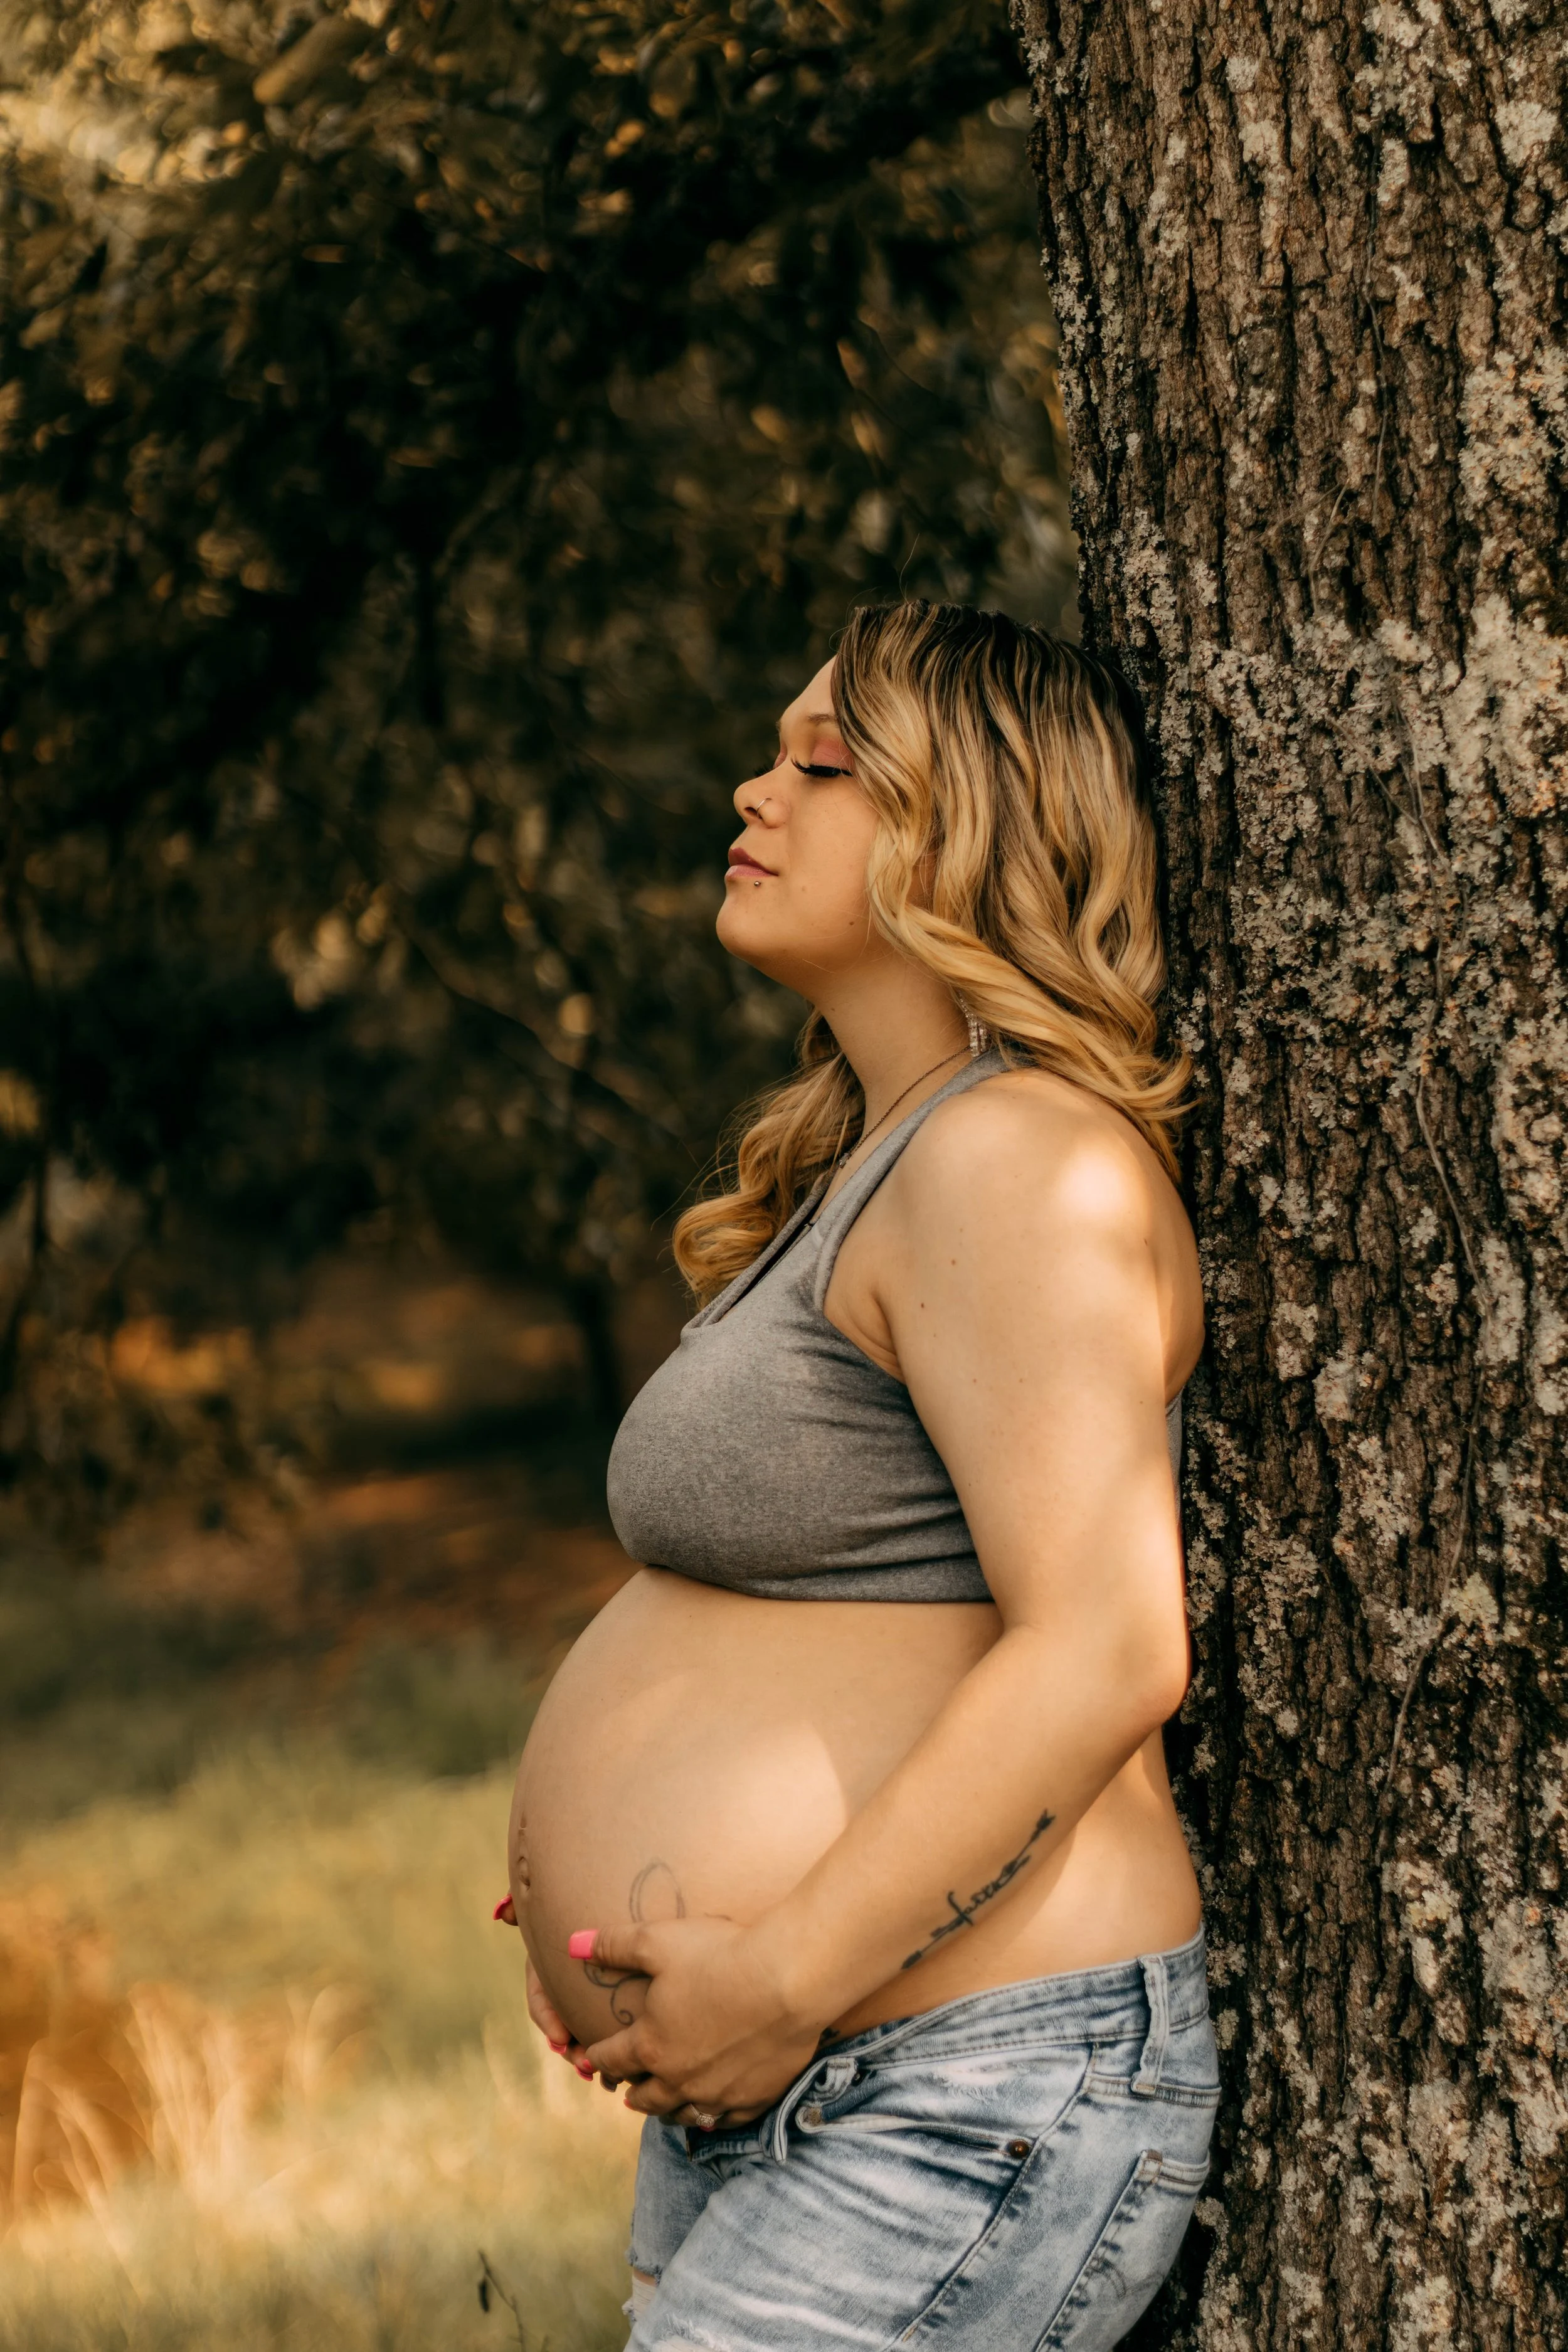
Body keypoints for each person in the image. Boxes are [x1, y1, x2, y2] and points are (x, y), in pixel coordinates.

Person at [498, 601, 1216, 2349]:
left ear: (972, 835)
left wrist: (782, 1966)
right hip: (825, 2062)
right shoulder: (877, 1159)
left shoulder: (1016, 1158)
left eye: (825, 764)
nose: (756, 788)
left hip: (955, 2082)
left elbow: (1110, 1646)